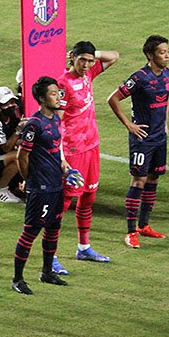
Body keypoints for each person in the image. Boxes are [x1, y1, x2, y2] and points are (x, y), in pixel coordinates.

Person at [53, 41, 120, 268]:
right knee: (64, 202)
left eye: (90, 61)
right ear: (72, 57)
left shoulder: (89, 73)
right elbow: (57, 122)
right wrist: (61, 156)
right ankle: (51, 255)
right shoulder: (63, 84)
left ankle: (83, 247)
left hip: (92, 146)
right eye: (82, 59)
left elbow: (115, 56)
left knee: (89, 197)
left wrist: (93, 54)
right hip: (73, 150)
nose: (86, 64)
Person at [11, 77, 77, 294]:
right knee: (31, 231)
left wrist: (64, 167)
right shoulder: (35, 124)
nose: (58, 96)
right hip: (40, 188)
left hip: (56, 185)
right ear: (41, 98)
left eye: (58, 92)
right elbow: (22, 156)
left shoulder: (55, 119)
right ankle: (17, 279)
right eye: (53, 93)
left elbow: (54, 150)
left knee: (53, 228)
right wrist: (29, 179)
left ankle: (47, 272)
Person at [107, 35, 169, 248]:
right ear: (150, 55)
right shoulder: (139, 78)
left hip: (159, 138)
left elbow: (167, 98)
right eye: (162, 52)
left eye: (167, 51)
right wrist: (129, 124)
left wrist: (165, 123)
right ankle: (130, 231)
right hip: (142, 140)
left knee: (154, 178)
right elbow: (113, 98)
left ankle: (144, 225)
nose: (167, 55)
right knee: (139, 181)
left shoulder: (167, 74)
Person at [0, 86, 24, 204]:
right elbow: (6, 148)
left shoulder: (12, 117)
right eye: (6, 104)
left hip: (2, 160)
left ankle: (14, 186)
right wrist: (18, 131)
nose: (11, 105)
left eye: (12, 102)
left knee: (22, 155)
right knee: (18, 156)